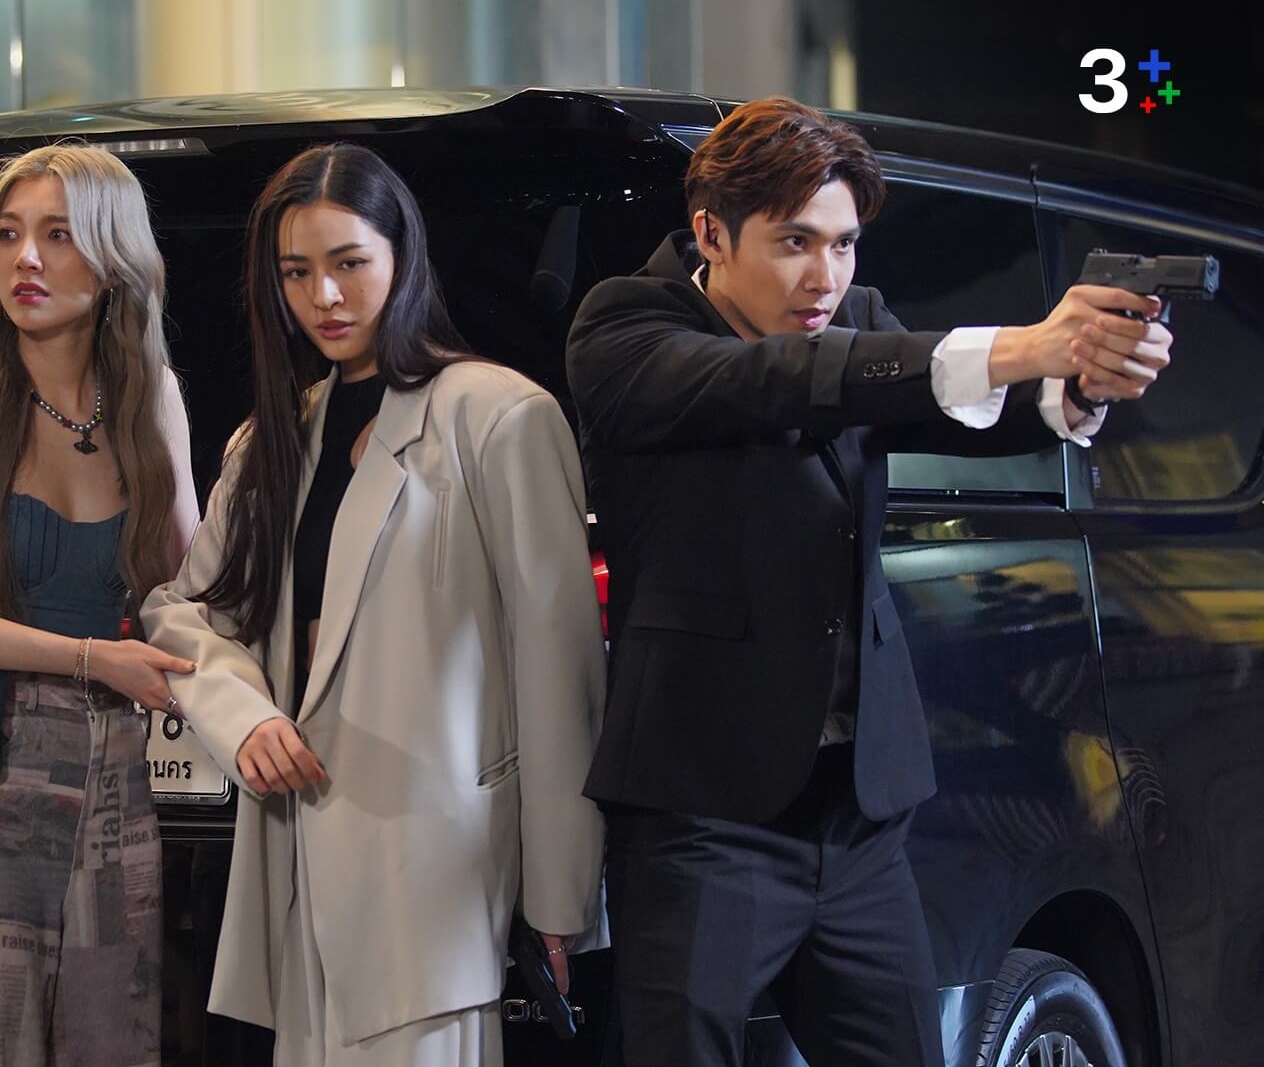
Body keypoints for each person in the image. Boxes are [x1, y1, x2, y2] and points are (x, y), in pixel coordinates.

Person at [565, 96, 1174, 1066]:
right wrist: (1025, 343)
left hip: (858, 815)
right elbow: (785, 381)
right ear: (711, 233)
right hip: (706, 812)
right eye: (795, 242)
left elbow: (946, 405)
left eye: (845, 245)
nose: (826, 276)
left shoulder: (855, 319)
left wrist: (1081, 382)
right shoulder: (626, 324)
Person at [141, 143, 607, 1067]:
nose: (324, 296)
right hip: (296, 860)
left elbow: (560, 671)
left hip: (434, 868)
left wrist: (560, 894)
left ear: (402, 257)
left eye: (349, 262)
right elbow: (180, 610)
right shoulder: (273, 439)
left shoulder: (497, 415)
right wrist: (241, 715)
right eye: (296, 273)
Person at [0, 143, 199, 1066]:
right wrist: (92, 658)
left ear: (114, 260)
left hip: (116, 775)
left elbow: (189, 595)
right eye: (9, 234)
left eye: (58, 236)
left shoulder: (150, 397)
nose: (26, 259)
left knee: (114, 1047)